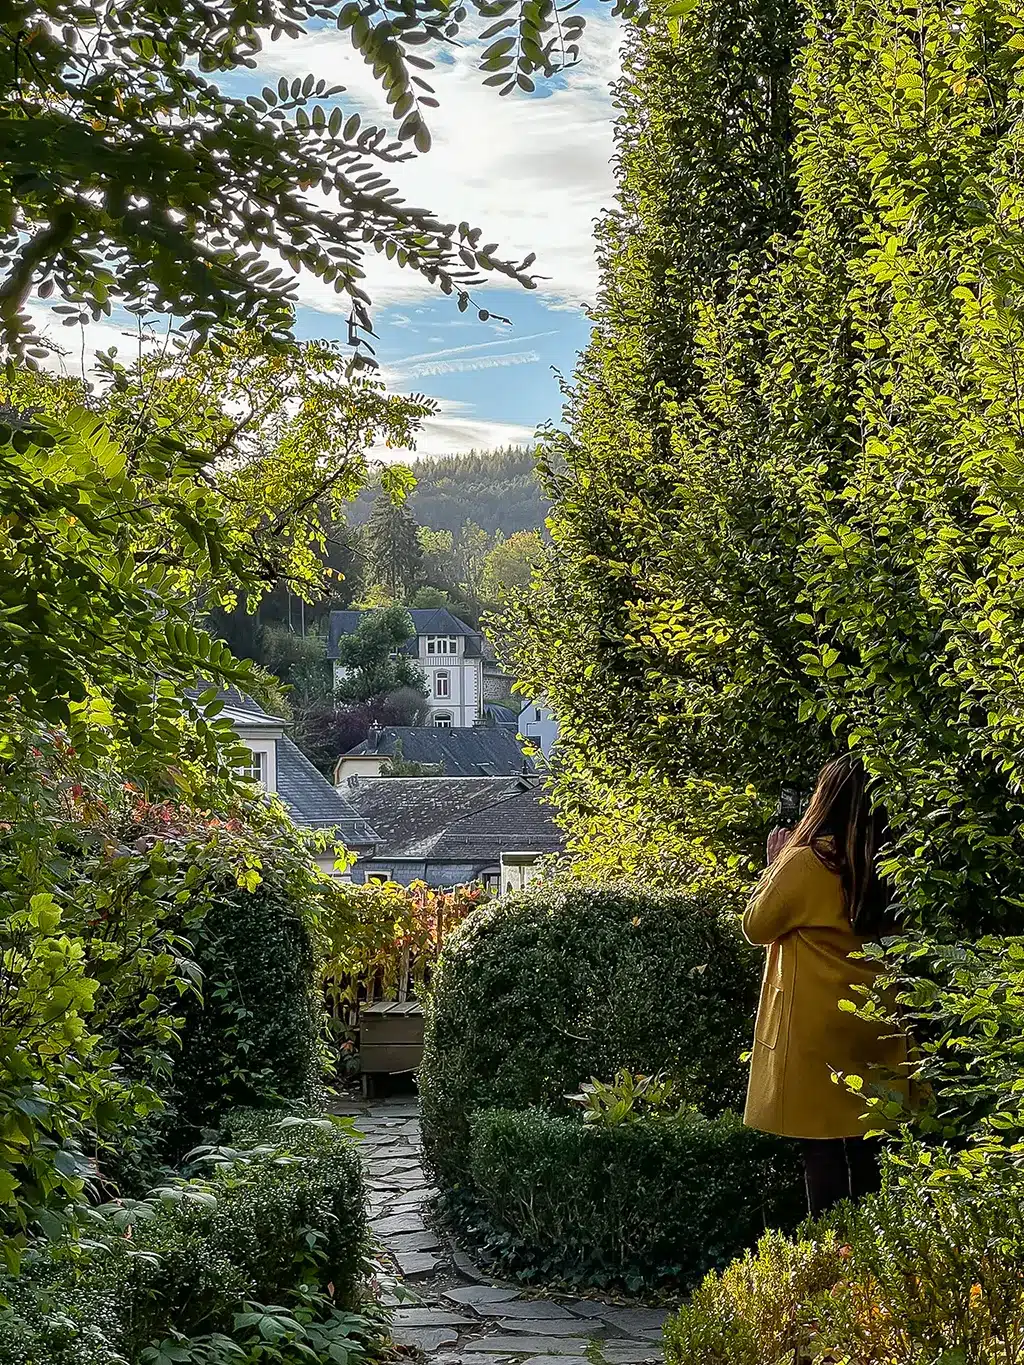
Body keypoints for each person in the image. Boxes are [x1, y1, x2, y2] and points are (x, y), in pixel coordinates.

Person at [743, 755, 908, 1218]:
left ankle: (834, 1258)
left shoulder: (806, 862)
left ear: (824, 800)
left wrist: (774, 866)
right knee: (868, 1143)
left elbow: (756, 925)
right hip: (877, 1019)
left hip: (815, 1023)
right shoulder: (892, 868)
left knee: (820, 1146)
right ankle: (880, 1255)